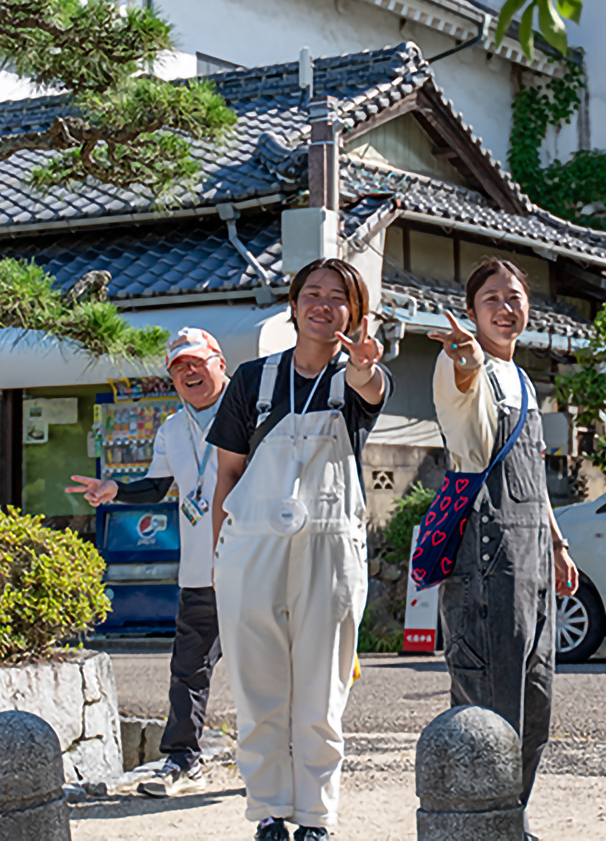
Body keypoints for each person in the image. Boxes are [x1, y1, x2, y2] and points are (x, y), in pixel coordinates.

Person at [206, 258, 391, 841]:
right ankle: (268, 810)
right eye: (311, 293)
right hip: (251, 548)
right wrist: (219, 563)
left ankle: (315, 815)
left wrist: (365, 367)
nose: (323, 304)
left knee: (321, 690)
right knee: (258, 689)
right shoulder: (252, 380)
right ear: (291, 305)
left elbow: (373, 388)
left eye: (339, 297)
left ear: (355, 314)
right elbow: (228, 477)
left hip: (330, 548)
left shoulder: (353, 378)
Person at [428, 257, 578, 823]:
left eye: (515, 297)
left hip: (534, 560)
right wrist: (465, 361)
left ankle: (511, 821)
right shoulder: (462, 367)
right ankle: (474, 825)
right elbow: (460, 392)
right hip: (486, 557)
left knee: (534, 704)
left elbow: (534, 483)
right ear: (470, 312)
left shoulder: (524, 378)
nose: (506, 307)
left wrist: (558, 546)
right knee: (487, 705)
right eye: (491, 298)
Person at [65, 327, 229, 798]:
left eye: (197, 361)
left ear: (219, 361)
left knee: (269, 665)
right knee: (188, 671)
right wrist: (116, 489)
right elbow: (157, 486)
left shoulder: (249, 411)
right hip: (199, 571)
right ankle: (182, 760)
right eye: (179, 367)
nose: (189, 372)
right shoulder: (173, 428)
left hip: (254, 564)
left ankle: (285, 758)